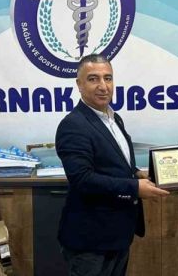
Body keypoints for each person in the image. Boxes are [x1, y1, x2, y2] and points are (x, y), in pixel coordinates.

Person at [56, 54, 169, 276]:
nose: (103, 86)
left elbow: (114, 162)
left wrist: (137, 173)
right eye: (93, 79)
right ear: (79, 84)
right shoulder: (73, 125)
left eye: (108, 78)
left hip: (118, 233)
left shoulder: (114, 119)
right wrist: (135, 187)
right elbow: (83, 179)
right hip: (90, 240)